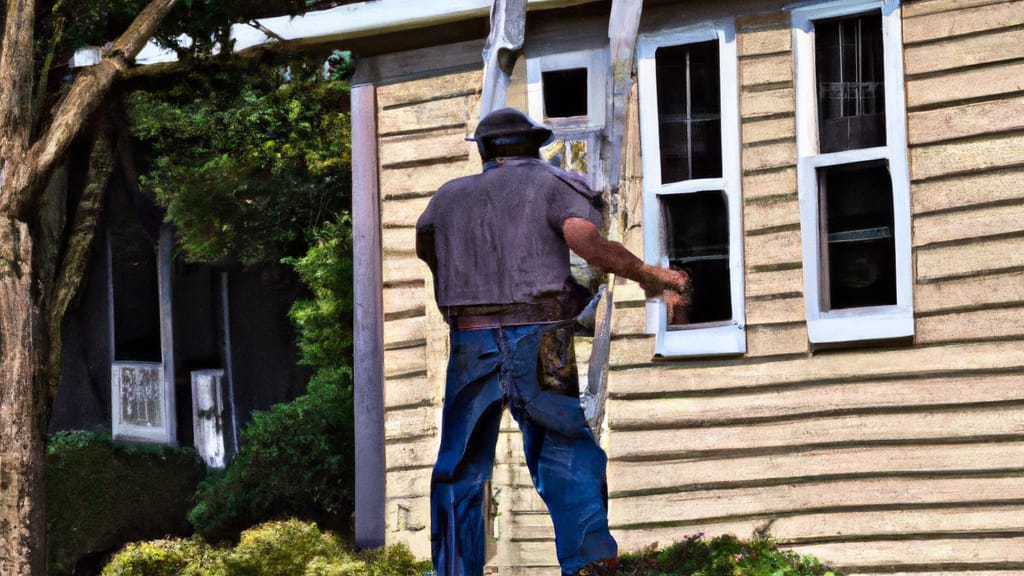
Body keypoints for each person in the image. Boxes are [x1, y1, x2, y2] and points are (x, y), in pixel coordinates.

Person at [416, 107, 689, 576]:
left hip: (470, 338)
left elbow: (427, 247)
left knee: (460, 462)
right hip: (540, 336)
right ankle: (588, 564)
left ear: (483, 150)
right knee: (562, 446)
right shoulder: (551, 183)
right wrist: (652, 275)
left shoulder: (446, 198)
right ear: (534, 146)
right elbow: (588, 245)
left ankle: (454, 570)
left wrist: (465, 284)